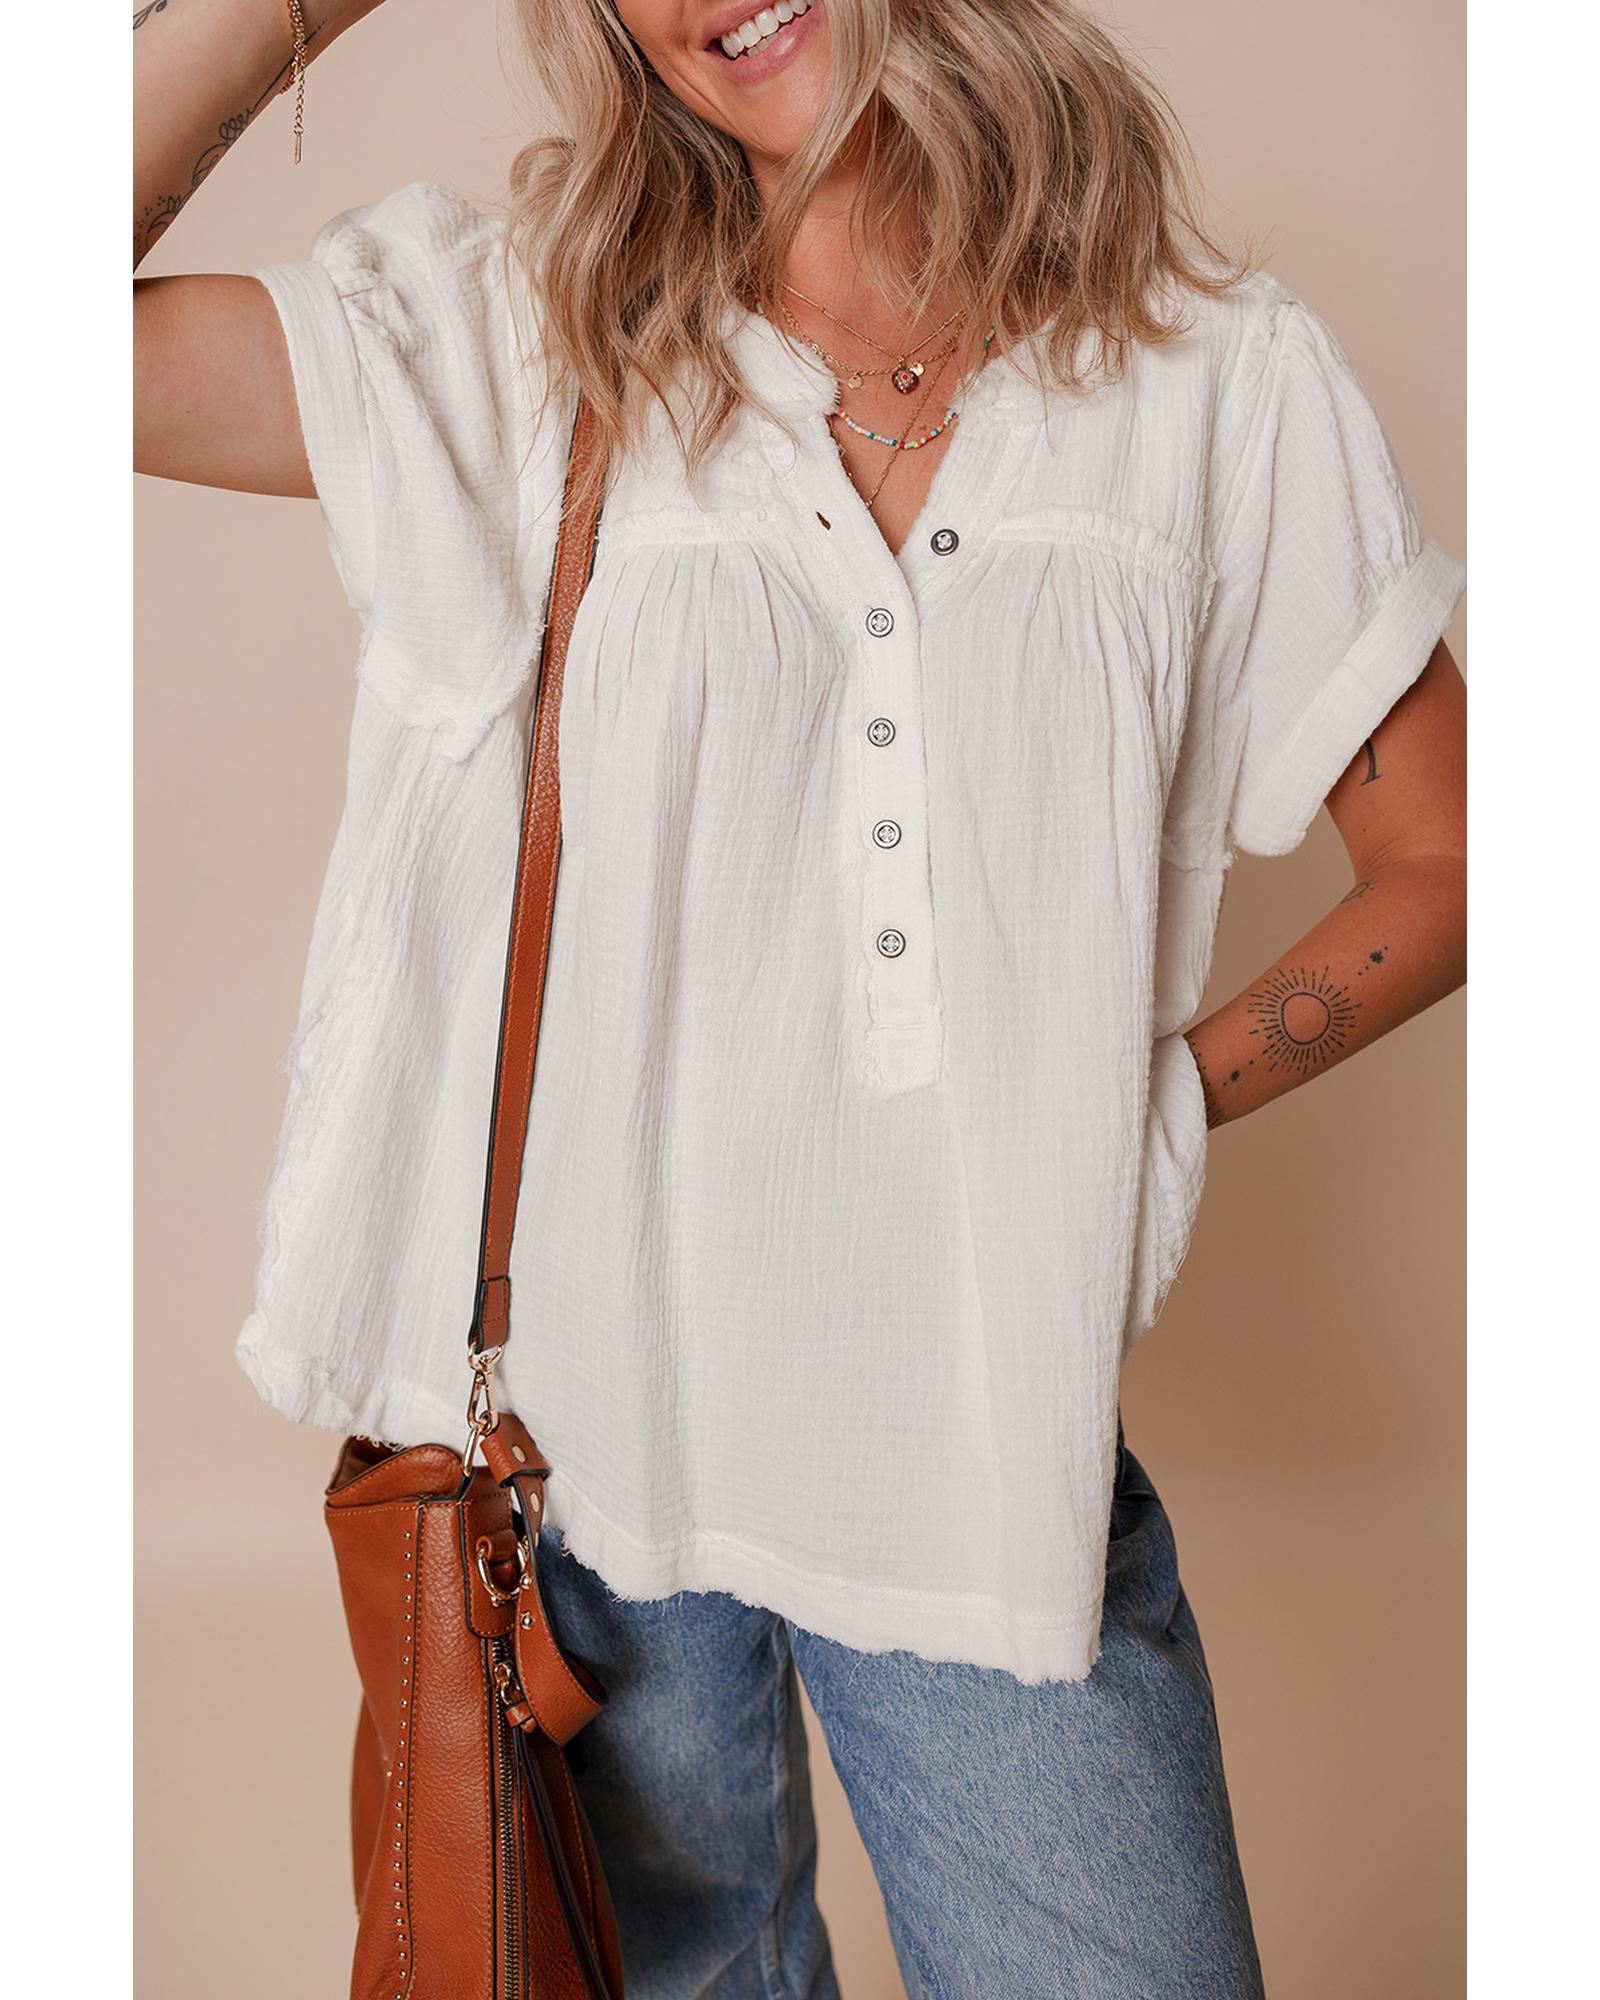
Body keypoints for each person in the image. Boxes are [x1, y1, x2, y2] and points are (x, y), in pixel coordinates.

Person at [134, 2, 1467, 1993]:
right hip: (579, 1499)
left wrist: (1145, 1109)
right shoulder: (523, 342)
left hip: (975, 1458)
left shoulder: (1207, 379)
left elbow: (1454, 854)